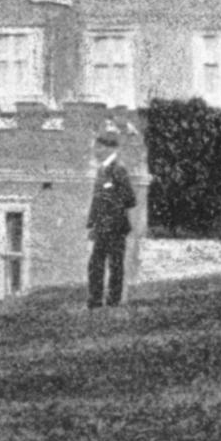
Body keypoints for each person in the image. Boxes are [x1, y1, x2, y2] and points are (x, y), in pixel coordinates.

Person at [86, 128, 136, 309]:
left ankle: (113, 301)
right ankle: (95, 301)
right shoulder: (102, 170)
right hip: (101, 227)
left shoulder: (119, 170)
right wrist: (91, 224)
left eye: (98, 148)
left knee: (115, 265)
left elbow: (130, 199)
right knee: (95, 264)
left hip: (115, 227)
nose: (95, 151)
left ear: (108, 148)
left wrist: (112, 199)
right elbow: (96, 198)